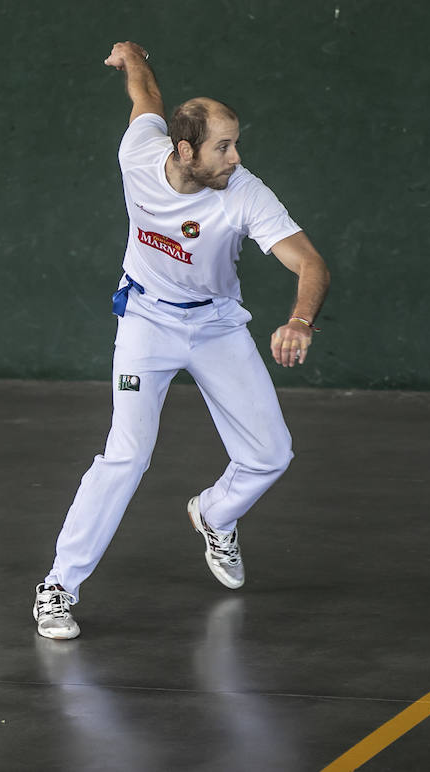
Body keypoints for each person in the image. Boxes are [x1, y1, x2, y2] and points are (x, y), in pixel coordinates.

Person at [33, 41, 330, 639]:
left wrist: (299, 320)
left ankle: (216, 514)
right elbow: (146, 97)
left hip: (216, 324)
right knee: (127, 454)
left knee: (271, 453)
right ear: (184, 150)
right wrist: (129, 58)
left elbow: (311, 265)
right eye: (223, 146)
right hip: (145, 321)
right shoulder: (139, 153)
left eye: (236, 143)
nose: (235, 156)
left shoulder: (244, 192)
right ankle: (59, 586)